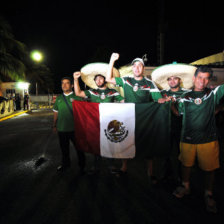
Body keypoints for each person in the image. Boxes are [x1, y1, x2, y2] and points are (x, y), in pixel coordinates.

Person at [172, 66, 224, 213]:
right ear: (194, 78)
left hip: (208, 140)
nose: (203, 81)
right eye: (200, 77)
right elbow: (178, 113)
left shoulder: (213, 93)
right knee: (186, 165)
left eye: (206, 78)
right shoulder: (185, 96)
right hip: (187, 138)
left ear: (209, 80)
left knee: (210, 169)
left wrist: (219, 108)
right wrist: (171, 105)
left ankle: (208, 193)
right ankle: (186, 186)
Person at [106, 53, 163, 179]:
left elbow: (158, 100)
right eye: (135, 66)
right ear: (132, 68)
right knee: (125, 142)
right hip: (128, 119)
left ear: (143, 68)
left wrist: (165, 100)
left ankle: (150, 172)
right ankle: (124, 167)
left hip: (145, 120)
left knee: (148, 146)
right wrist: (112, 61)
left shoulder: (149, 83)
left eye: (140, 66)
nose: (137, 68)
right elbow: (108, 79)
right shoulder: (126, 80)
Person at [73, 69, 124, 174]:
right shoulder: (92, 92)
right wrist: (75, 80)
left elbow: (123, 101)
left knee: (110, 143)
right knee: (96, 143)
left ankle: (111, 165)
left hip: (110, 123)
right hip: (95, 123)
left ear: (105, 79)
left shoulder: (112, 92)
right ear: (95, 81)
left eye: (101, 78)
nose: (99, 81)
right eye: (97, 79)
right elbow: (78, 93)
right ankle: (96, 166)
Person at [53, 77, 86, 174]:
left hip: (75, 129)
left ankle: (82, 166)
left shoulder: (77, 97)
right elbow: (56, 113)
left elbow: (84, 112)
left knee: (79, 148)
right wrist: (54, 125)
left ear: (72, 85)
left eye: (67, 83)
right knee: (64, 149)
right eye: (62, 83)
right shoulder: (58, 98)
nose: (64, 85)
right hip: (62, 129)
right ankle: (65, 164)